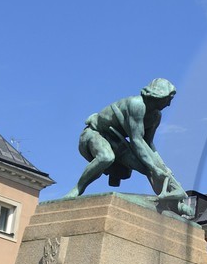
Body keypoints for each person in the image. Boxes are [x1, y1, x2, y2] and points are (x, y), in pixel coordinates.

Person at [64, 77, 194, 216]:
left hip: (118, 143)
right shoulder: (137, 104)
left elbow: (148, 144)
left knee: (151, 170)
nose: (168, 104)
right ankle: (77, 189)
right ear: (158, 95)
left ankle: (173, 204)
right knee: (106, 157)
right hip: (96, 134)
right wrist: (154, 167)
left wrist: (162, 167)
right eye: (168, 99)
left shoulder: (155, 117)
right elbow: (136, 140)